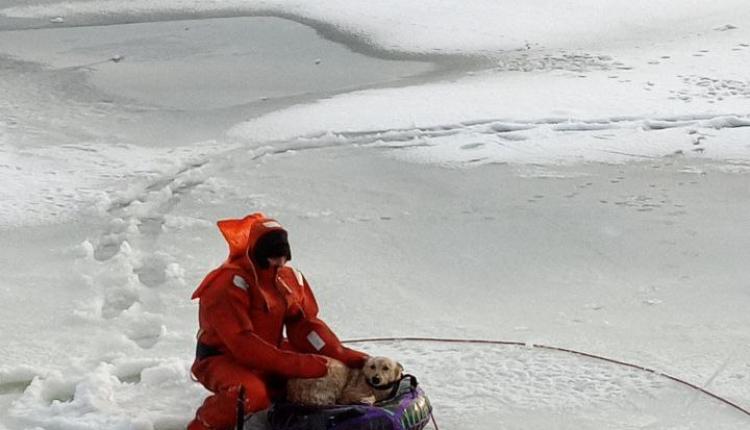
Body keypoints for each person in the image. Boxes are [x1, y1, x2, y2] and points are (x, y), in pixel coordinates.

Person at [188, 213, 368, 430]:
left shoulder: (286, 279)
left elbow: (304, 326)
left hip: (269, 352)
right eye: (273, 257)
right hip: (222, 358)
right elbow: (242, 344)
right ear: (256, 252)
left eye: (284, 257)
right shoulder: (227, 284)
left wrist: (340, 354)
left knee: (319, 373)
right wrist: (300, 365)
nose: (280, 263)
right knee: (251, 394)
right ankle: (203, 424)